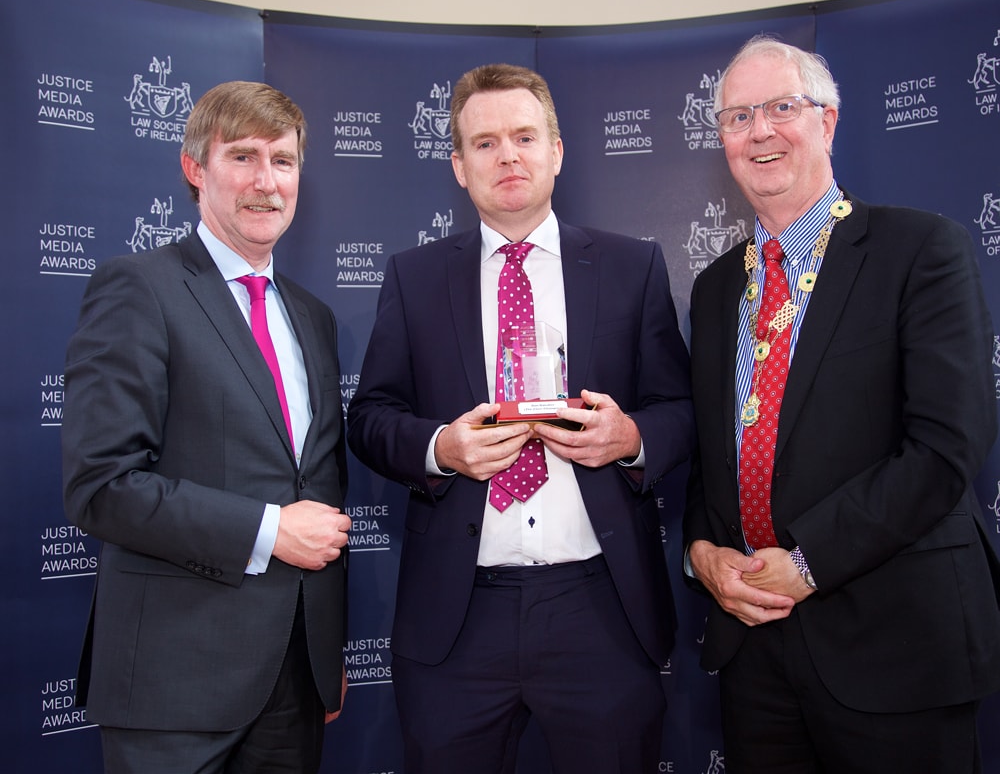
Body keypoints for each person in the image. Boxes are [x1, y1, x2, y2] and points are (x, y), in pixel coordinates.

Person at [347, 63, 693, 773]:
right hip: (457, 617)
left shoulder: (632, 267)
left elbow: (681, 410)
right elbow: (371, 417)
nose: (508, 155)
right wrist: (440, 448)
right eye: (485, 142)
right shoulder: (414, 277)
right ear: (459, 166)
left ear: (556, 152)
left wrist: (631, 438)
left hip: (601, 608)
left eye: (525, 137)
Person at [683, 35, 1000, 773]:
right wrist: (702, 553)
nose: (759, 131)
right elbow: (713, 455)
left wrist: (808, 562)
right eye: (738, 117)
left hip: (896, 645)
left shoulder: (920, 250)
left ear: (826, 121)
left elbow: (947, 446)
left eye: (781, 108)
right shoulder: (714, 289)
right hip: (754, 651)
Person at [62, 81, 351, 774]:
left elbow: (314, 484)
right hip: (173, 683)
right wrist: (268, 531)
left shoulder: (313, 317)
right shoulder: (139, 288)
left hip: (295, 681)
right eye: (243, 157)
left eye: (283, 161)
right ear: (195, 168)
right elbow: (102, 485)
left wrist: (327, 649)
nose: (266, 182)